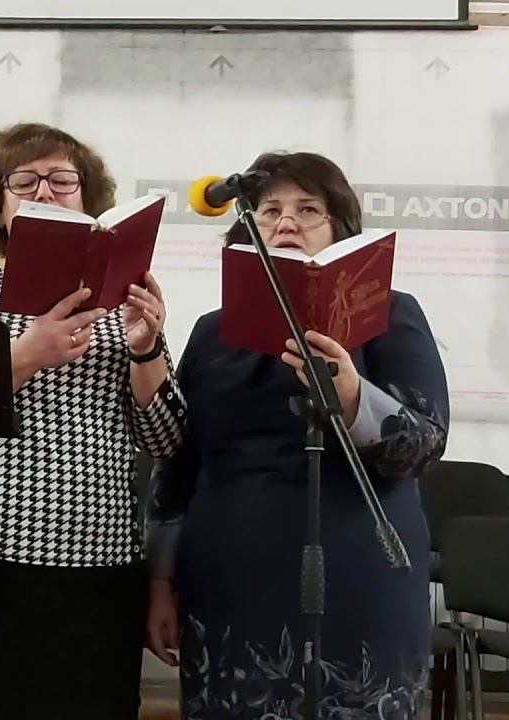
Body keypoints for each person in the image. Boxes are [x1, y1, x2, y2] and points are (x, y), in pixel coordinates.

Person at [145, 151, 448, 720]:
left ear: (339, 231)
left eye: (308, 209)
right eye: (269, 210)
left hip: (360, 573)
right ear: (248, 229)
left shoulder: (391, 315)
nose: (287, 221)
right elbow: (178, 464)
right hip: (228, 579)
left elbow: (425, 443)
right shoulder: (212, 332)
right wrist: (160, 577)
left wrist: (352, 394)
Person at [0, 122, 187, 718]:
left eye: (62, 180)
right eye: (24, 181)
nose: (44, 191)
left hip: (100, 567)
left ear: (89, 201)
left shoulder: (121, 298)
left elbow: (167, 439)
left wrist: (145, 348)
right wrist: (26, 354)